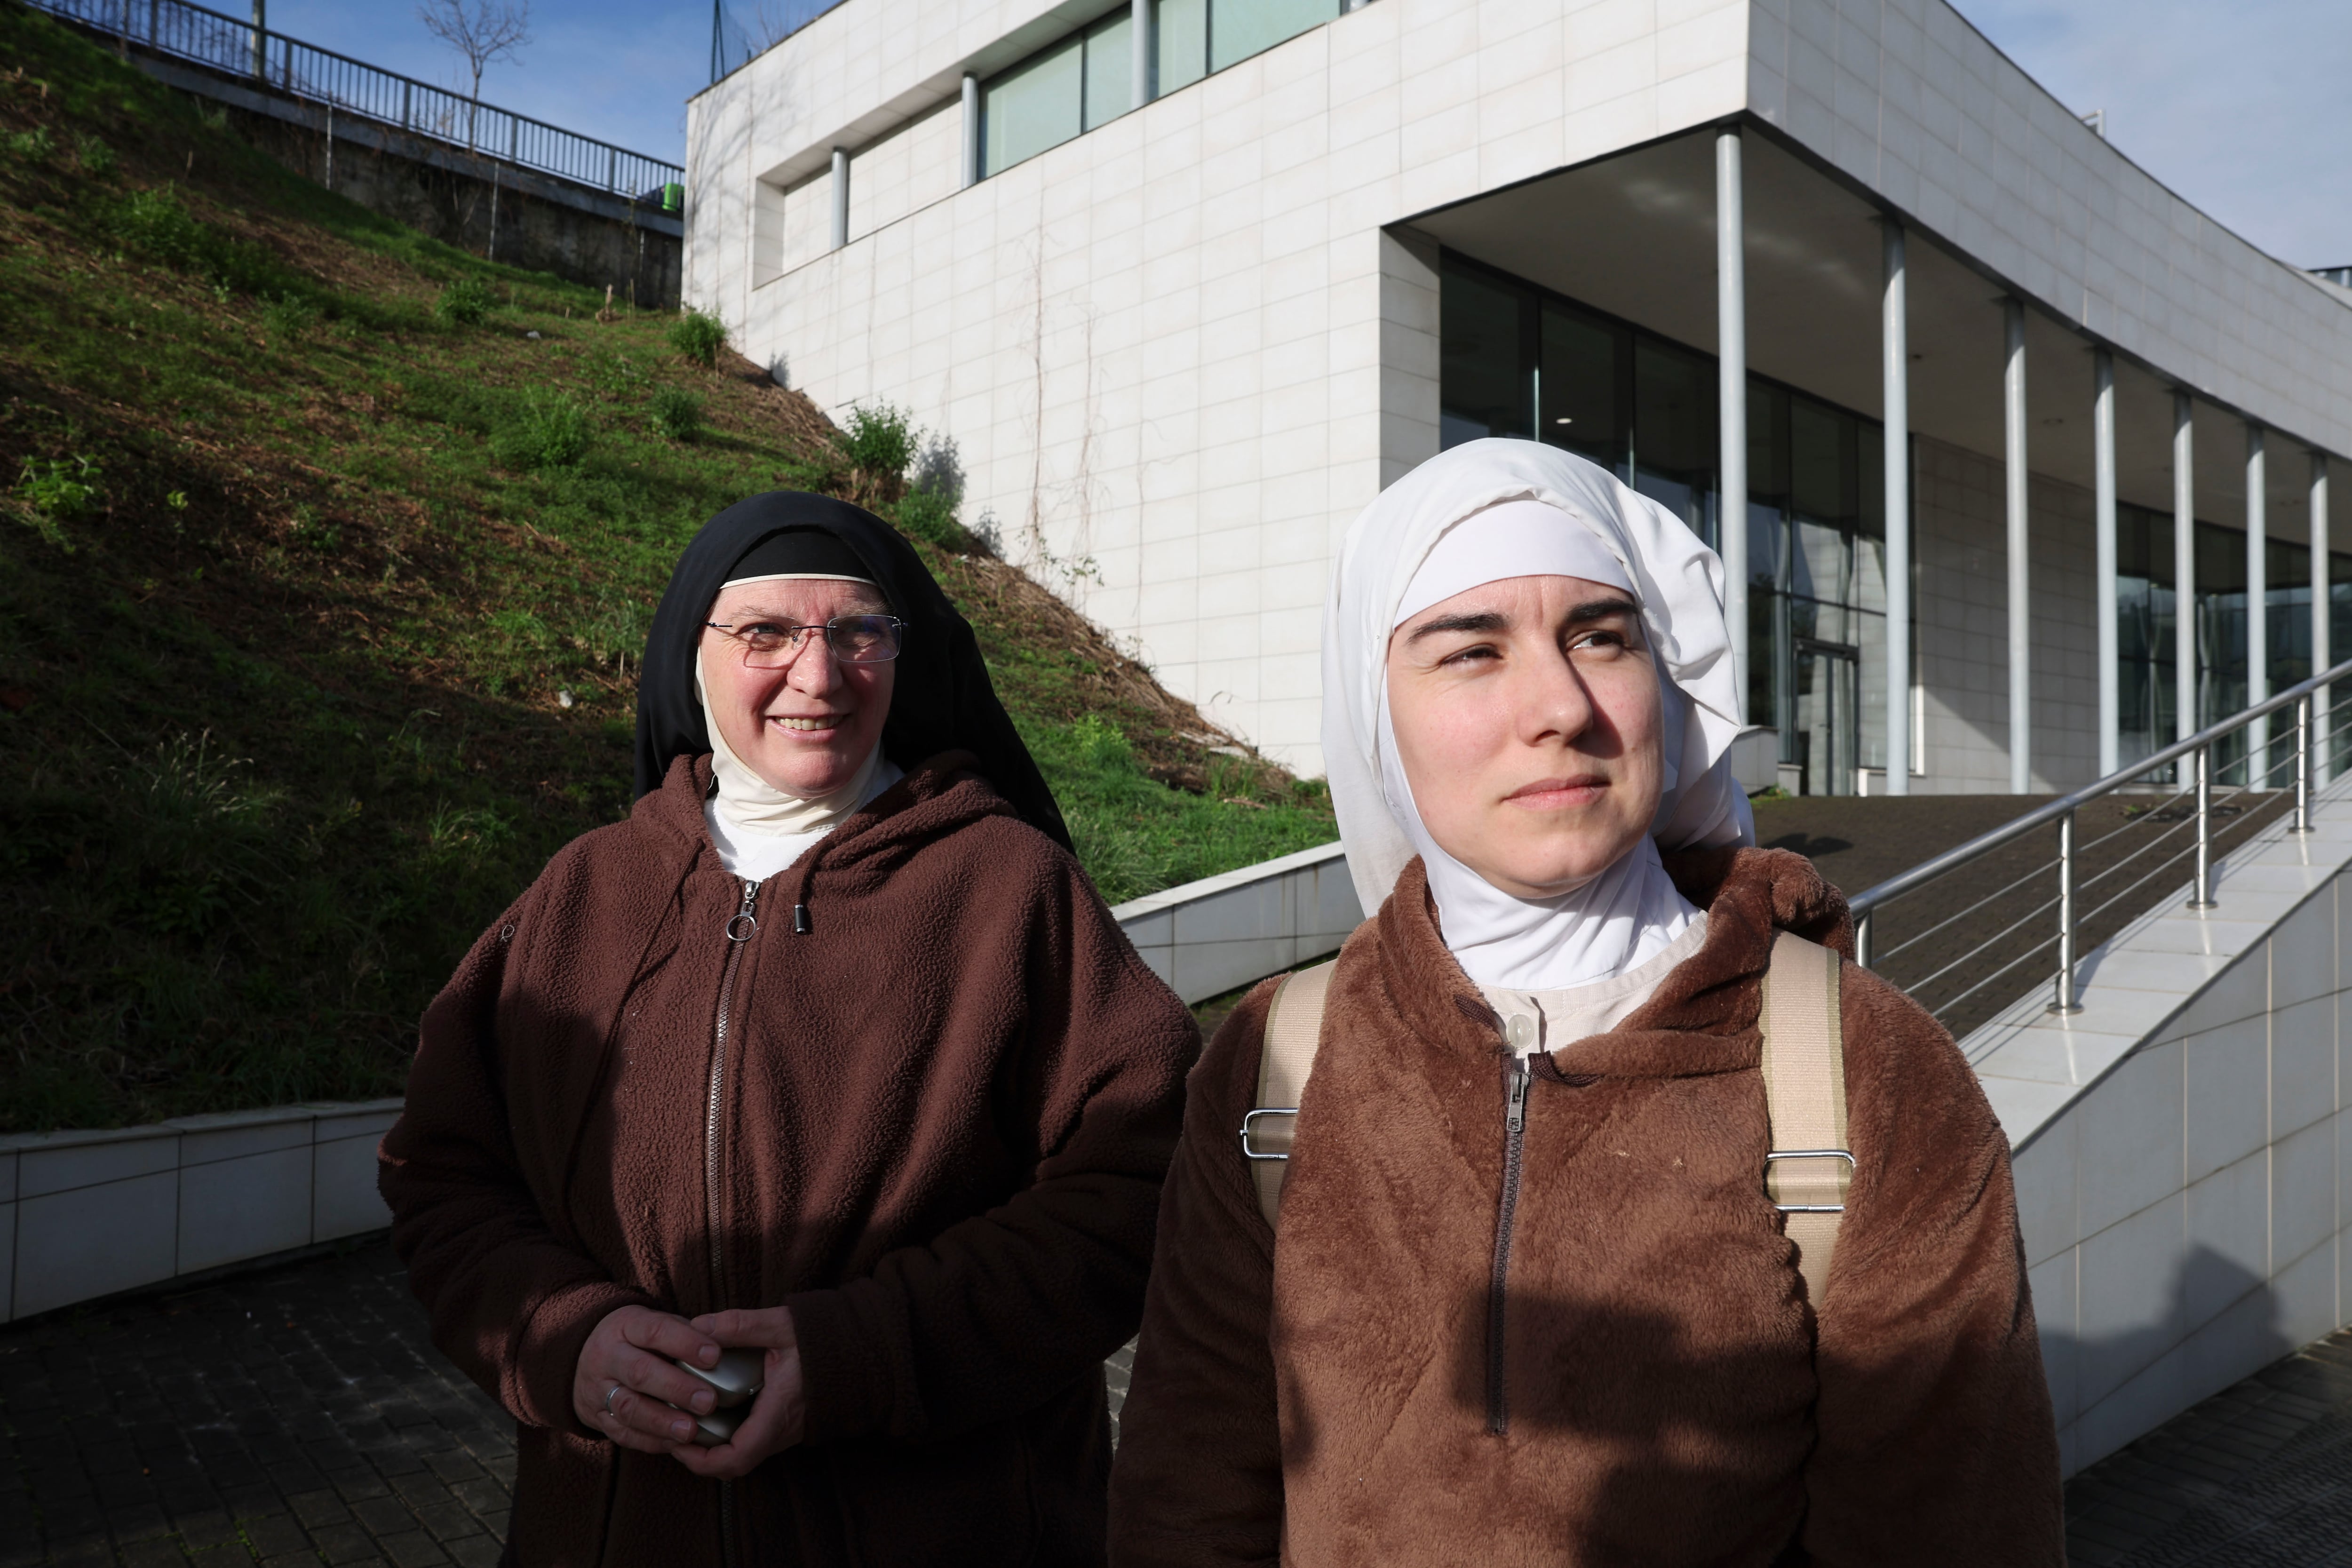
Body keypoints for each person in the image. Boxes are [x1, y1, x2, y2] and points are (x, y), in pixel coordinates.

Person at [1107, 440, 2064, 1565]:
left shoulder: (1869, 1066)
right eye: (1472, 650)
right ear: (1375, 716)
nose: (1559, 705)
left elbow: (1947, 1530)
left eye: (1601, 636)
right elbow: (1189, 1500)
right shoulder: (1277, 1060)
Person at [379, 492, 1197, 1567]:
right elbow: (444, 1177)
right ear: (691, 656)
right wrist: (559, 1333)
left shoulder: (1010, 890)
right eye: (765, 632)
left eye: (858, 631)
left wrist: (866, 1353)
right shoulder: (580, 896)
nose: (819, 675)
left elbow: (1142, 1184)